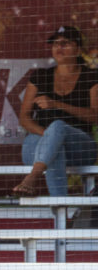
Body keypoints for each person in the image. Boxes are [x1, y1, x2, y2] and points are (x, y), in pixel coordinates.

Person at [14, 25, 98, 197]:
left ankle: (32, 178)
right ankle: (62, 211)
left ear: (78, 49)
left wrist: (57, 104)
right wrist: (50, 136)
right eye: (55, 44)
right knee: (53, 145)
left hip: (80, 148)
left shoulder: (92, 76)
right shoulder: (40, 76)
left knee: (58, 126)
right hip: (39, 145)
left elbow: (95, 116)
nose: (58, 47)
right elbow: (24, 118)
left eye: (65, 43)